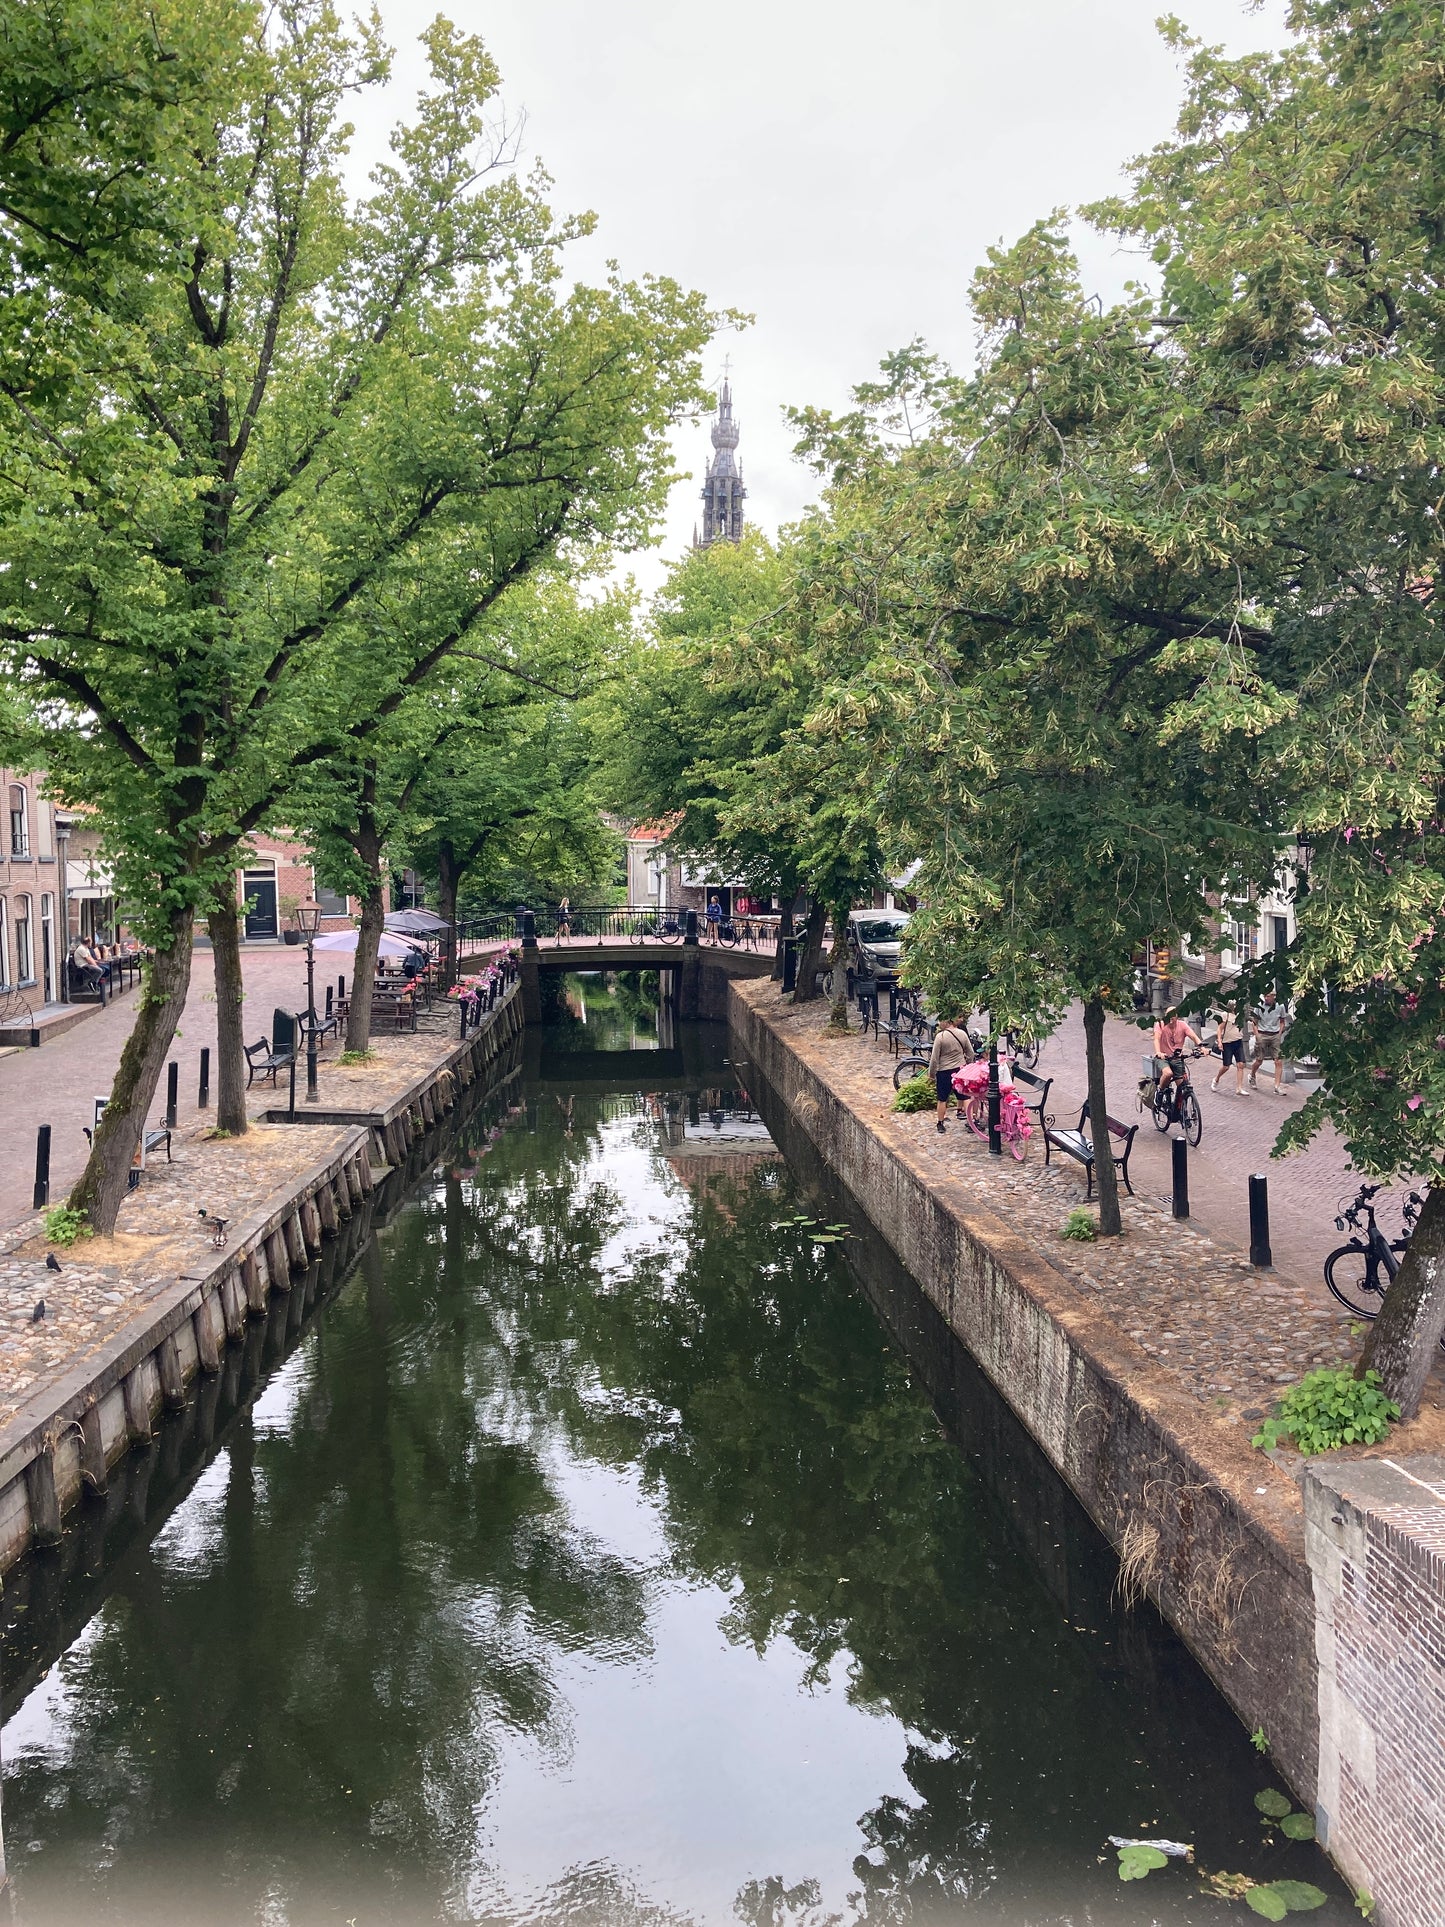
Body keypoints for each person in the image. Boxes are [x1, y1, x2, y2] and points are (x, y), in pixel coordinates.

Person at [927, 1014, 975, 1134]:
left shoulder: (940, 1037)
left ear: (947, 1022)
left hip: (944, 1071)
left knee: (942, 1099)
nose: (939, 1024)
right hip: (959, 1069)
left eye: (941, 1022)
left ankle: (940, 1123)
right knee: (965, 1097)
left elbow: (934, 1059)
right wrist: (968, 1066)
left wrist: (931, 1074)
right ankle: (970, 1122)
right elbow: (970, 1053)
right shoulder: (962, 1034)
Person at [1152, 1005, 1202, 1092]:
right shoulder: (1160, 1024)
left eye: (1173, 1014)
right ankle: (1159, 1093)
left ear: (1177, 1016)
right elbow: (1156, 1039)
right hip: (1163, 1057)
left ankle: (1180, 1104)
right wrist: (1158, 1052)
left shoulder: (1182, 1025)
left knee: (1182, 1085)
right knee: (1168, 1074)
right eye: (1168, 1014)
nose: (1170, 1017)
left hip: (1177, 1058)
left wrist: (1202, 1047)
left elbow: (1193, 1036)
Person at [1249, 989, 1289, 1093]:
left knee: (1278, 1061)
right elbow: (1254, 1022)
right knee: (1259, 1060)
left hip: (1275, 1035)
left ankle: (1277, 1086)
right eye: (1265, 996)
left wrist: (1279, 1033)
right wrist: (1257, 1035)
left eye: (1268, 996)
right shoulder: (1259, 1006)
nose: (1266, 998)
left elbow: (1282, 1021)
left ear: (1273, 996)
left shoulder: (1280, 1006)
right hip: (1262, 1033)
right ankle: (1252, 1075)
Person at [1210, 1003, 1246, 1095]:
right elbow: (1219, 1029)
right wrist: (1219, 1041)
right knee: (1226, 1066)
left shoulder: (1240, 1014)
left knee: (1241, 1064)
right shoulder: (1225, 1015)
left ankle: (1239, 1088)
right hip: (1227, 1043)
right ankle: (1216, 1079)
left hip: (1238, 1041)